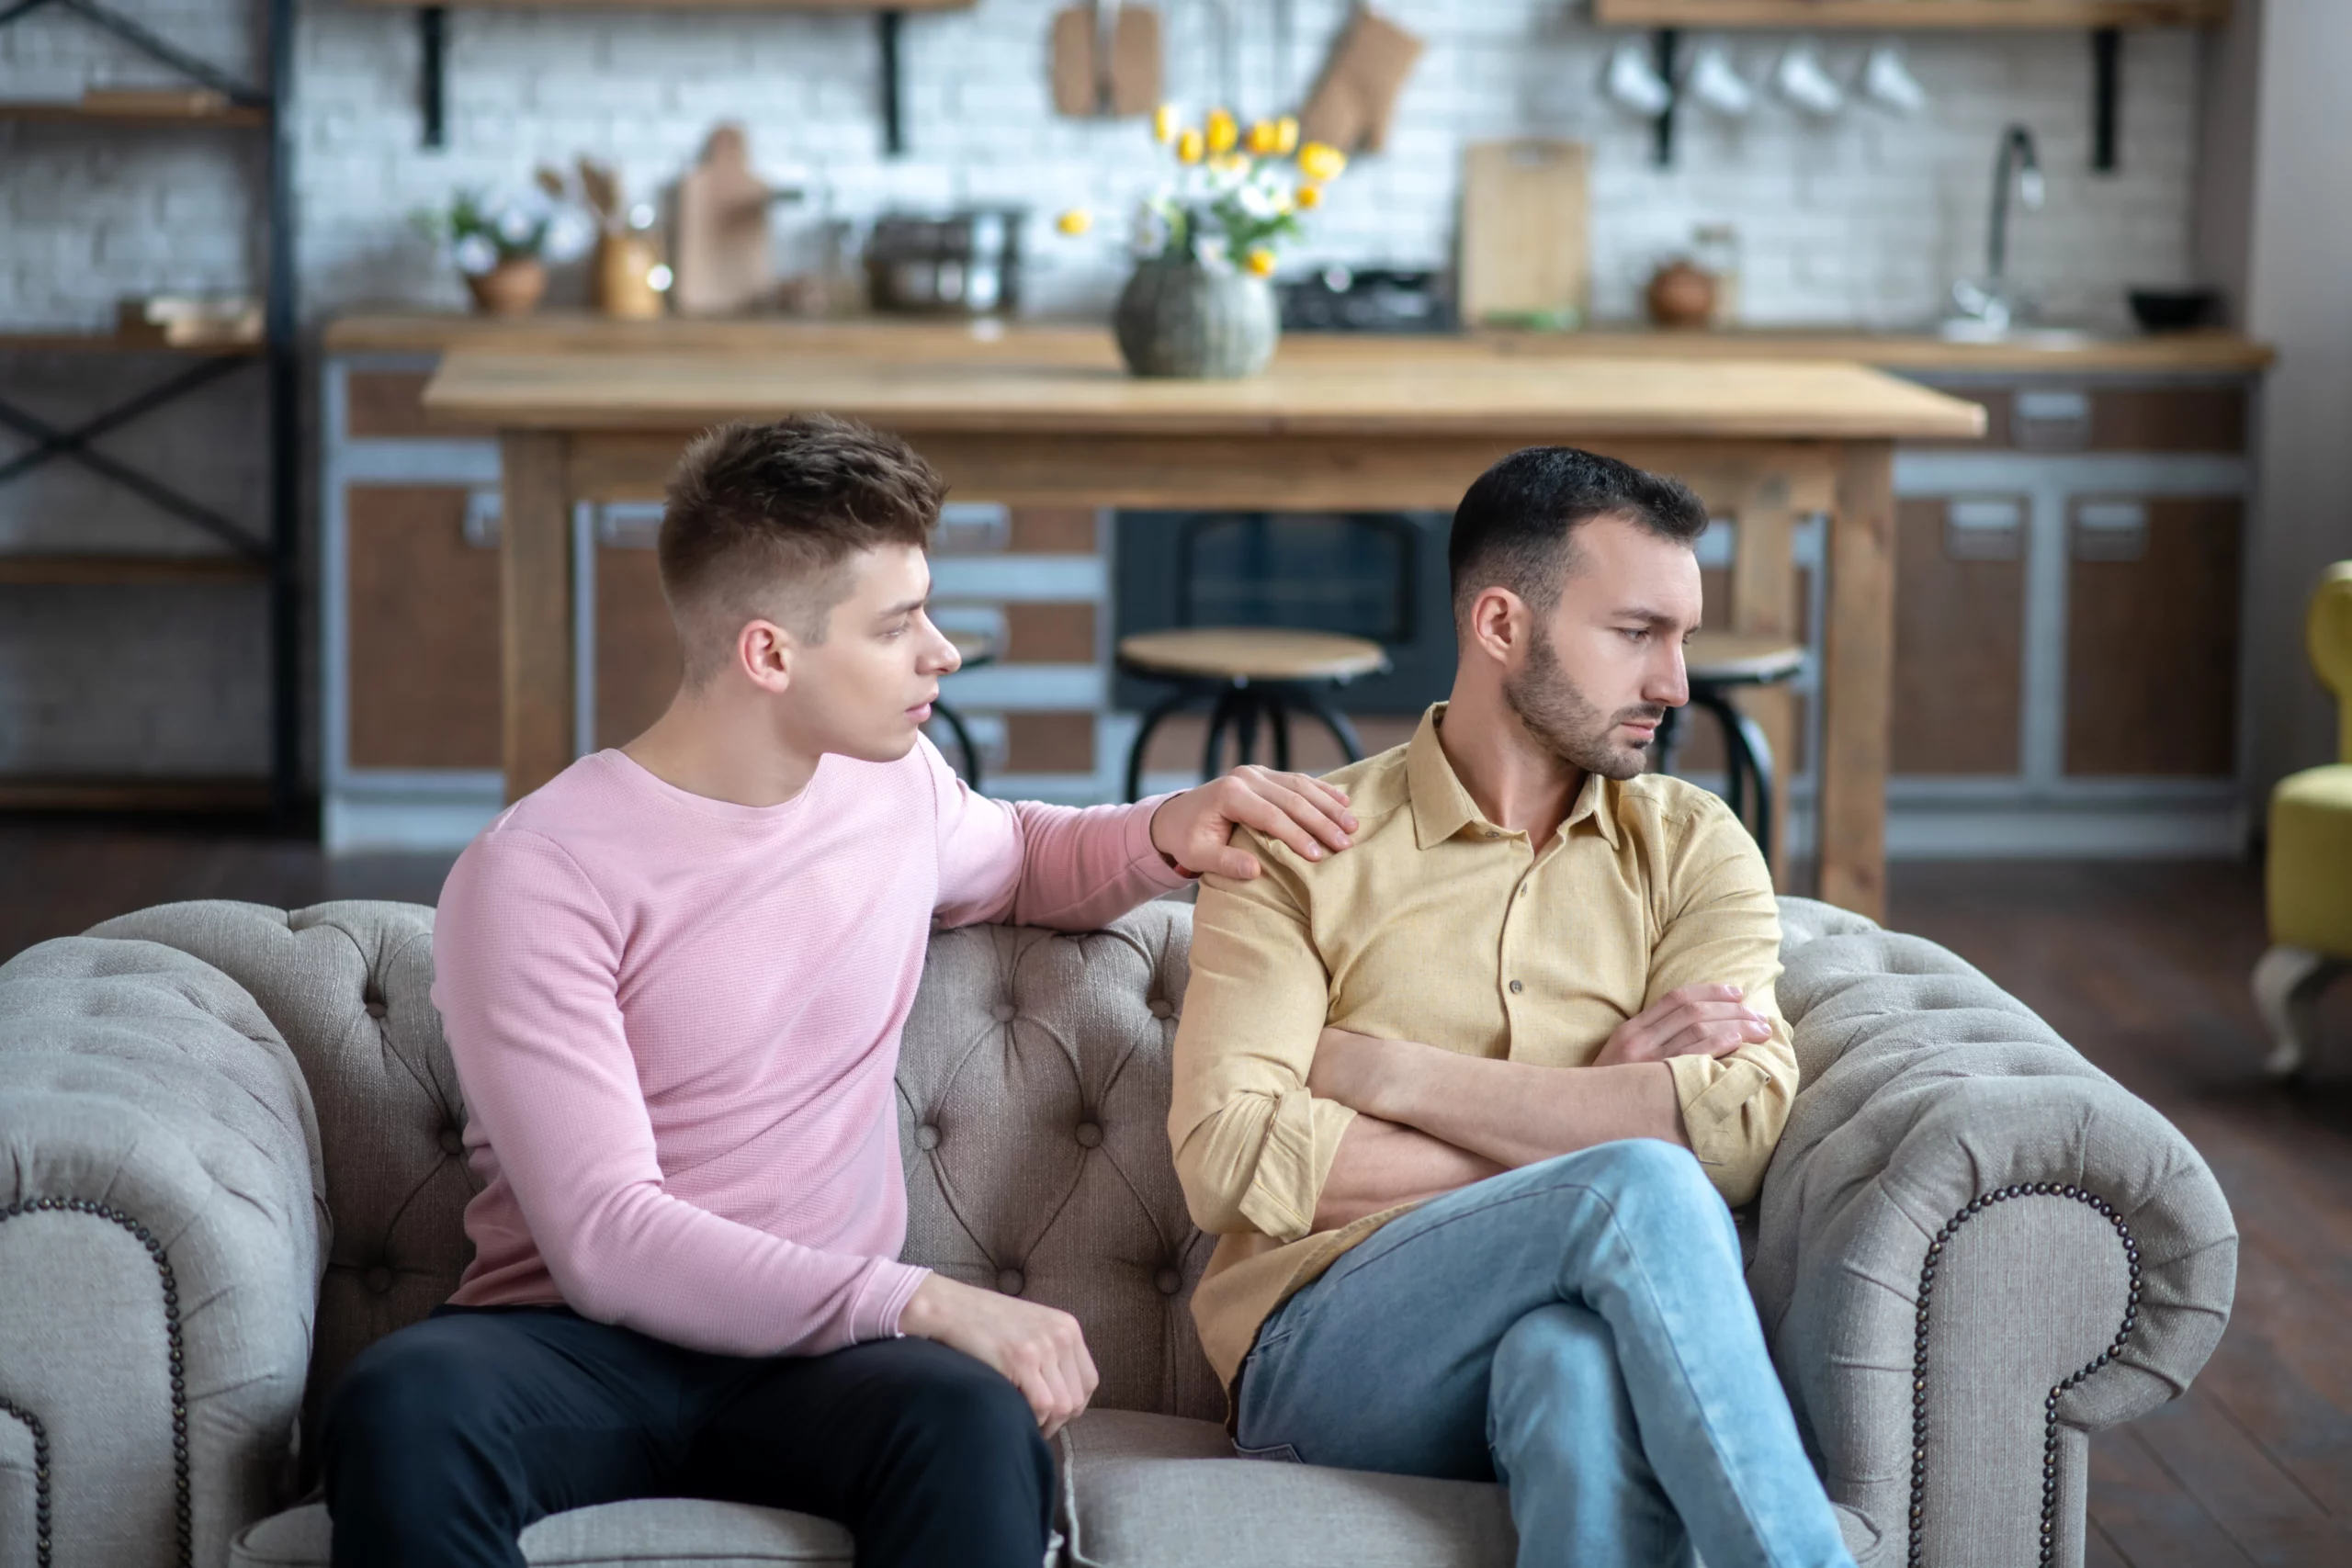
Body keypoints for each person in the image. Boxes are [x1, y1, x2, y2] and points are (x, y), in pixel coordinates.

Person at [317, 415, 1359, 1568]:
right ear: (770, 654)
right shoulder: (538, 872)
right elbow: (608, 1239)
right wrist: (924, 1300)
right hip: (571, 1345)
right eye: (898, 624)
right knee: (401, 1406)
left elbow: (1016, 853)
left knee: (972, 1422)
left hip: (822, 1369)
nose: (943, 653)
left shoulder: (895, 787)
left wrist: (1169, 826)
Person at [1168, 446, 1856, 1568]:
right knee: (1635, 1177)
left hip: (1543, 1335)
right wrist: (1599, 1121)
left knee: (1570, 1366)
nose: (1676, 684)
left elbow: (1733, 1129)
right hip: (1322, 1351)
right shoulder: (1300, 848)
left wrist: (1387, 1075)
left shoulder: (1691, 845)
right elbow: (1232, 1158)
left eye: (1681, 638)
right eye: (1637, 634)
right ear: (1501, 625)